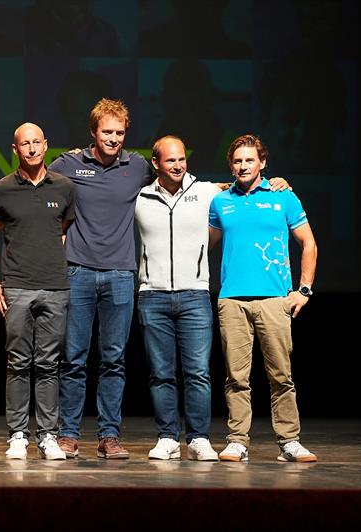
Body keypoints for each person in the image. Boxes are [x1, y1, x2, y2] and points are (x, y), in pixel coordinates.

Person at [48, 99, 154, 459]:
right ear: (93, 132)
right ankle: (68, 434)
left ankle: (109, 436)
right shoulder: (69, 163)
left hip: (121, 275)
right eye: (107, 132)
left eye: (120, 133)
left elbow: (180, 182)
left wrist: (265, 182)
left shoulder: (137, 166)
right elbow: (30, 181)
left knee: (114, 360)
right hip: (77, 271)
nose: (113, 139)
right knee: (74, 358)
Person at [208, 134, 318, 463]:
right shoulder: (220, 202)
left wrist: (304, 290)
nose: (243, 166)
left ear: (262, 163)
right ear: (231, 165)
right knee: (236, 377)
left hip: (274, 300)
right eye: (238, 161)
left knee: (281, 375)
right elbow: (205, 246)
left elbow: (308, 244)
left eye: (249, 160)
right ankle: (237, 441)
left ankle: (289, 441)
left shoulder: (284, 197)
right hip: (232, 300)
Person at [0, 123, 75, 460]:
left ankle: (48, 434)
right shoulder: (3, 189)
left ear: (45, 145)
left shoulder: (63, 187)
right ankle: (18, 433)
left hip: (54, 287)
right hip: (16, 287)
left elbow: (60, 230)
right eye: (25, 144)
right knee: (18, 362)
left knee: (49, 363)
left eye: (37, 142)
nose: (32, 148)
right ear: (15, 149)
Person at [135, 136, 223, 461]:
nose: (178, 165)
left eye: (182, 159)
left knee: (198, 371)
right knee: (161, 373)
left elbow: (240, 185)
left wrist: (276, 183)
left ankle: (199, 438)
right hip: (152, 296)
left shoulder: (206, 192)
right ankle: (168, 437)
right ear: (156, 163)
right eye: (170, 160)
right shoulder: (140, 196)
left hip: (195, 294)